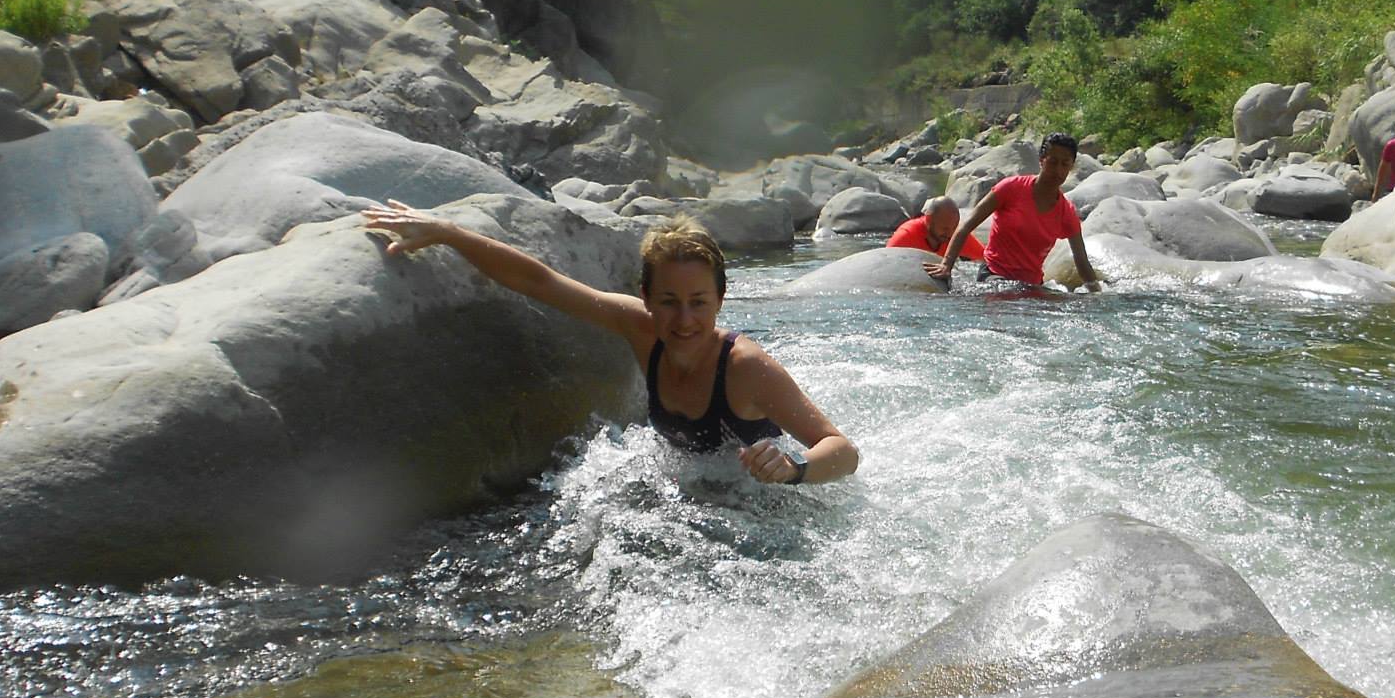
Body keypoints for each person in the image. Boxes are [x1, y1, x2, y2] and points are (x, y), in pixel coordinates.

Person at [361, 204, 858, 485]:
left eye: (698, 302)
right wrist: (449, 233)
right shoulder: (639, 327)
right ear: (644, 298)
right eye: (668, 301)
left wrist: (793, 468)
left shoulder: (747, 368)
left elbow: (842, 451)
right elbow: (541, 282)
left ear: (721, 299)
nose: (684, 320)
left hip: (771, 504)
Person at [925, 133, 1101, 290]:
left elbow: (1081, 260)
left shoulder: (1066, 212)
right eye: (1052, 162)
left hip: (1031, 286)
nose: (1058, 170)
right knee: (1011, 296)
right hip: (994, 276)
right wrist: (946, 264)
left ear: (1071, 166)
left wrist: (1098, 296)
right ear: (1041, 160)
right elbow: (966, 226)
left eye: (1065, 164)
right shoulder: (1010, 188)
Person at [887, 196, 985, 260]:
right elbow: (884, 262)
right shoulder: (906, 236)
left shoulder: (955, 235)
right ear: (929, 220)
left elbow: (987, 256)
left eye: (954, 228)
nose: (950, 234)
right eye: (945, 228)